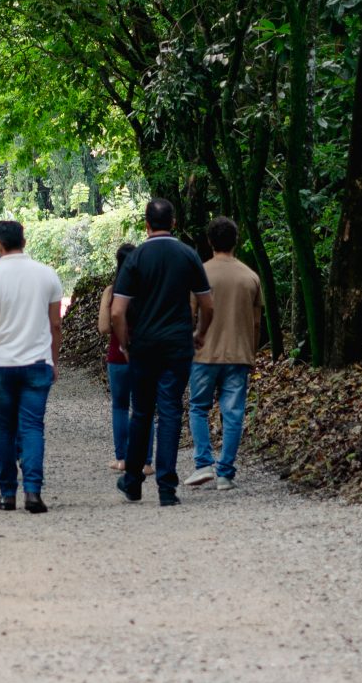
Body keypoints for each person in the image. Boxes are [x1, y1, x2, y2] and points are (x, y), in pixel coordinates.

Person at [108, 196, 213, 507]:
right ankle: (167, 487)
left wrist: (125, 341)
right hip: (177, 344)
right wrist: (200, 333)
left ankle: (133, 482)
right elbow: (207, 303)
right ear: (174, 223)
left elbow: (117, 312)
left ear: (146, 224)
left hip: (144, 346)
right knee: (170, 412)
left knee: (141, 411)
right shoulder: (188, 254)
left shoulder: (136, 258)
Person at [0, 219, 64, 513]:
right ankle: (33, 492)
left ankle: (7, 494)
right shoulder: (47, 275)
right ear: (23, 240)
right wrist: (54, 359)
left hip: (0, 365)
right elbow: (56, 324)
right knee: (33, 427)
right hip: (37, 363)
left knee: (5, 428)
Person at [183, 217, 261, 490]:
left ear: (210, 242)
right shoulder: (251, 277)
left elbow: (188, 315)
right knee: (234, 413)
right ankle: (226, 473)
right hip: (238, 354)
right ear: (236, 241)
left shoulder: (200, 274)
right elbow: (256, 323)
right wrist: (250, 354)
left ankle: (203, 463)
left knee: (198, 408)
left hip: (204, 354)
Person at [104, 242, 138, 474]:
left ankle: (122, 458)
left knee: (120, 406)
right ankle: (145, 462)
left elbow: (103, 327)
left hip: (117, 355)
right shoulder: (147, 287)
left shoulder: (112, 290)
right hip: (143, 354)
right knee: (143, 407)